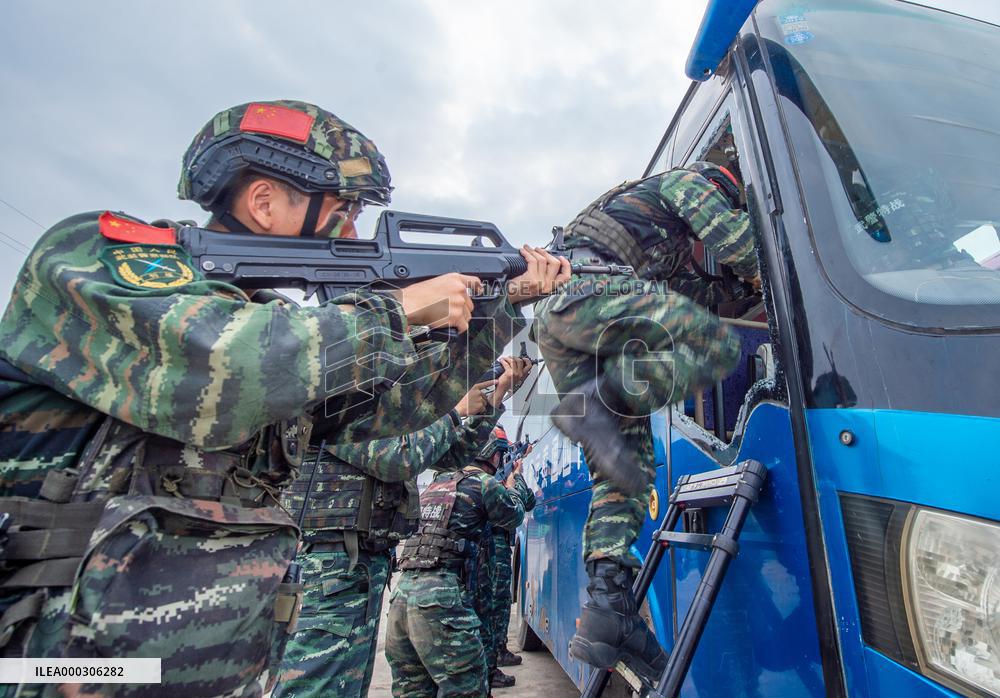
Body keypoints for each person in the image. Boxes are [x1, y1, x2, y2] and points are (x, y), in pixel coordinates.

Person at [0, 99, 558, 697]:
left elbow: (394, 411)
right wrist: (396, 311)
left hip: (203, 659)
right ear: (264, 202)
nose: (351, 233)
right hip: (65, 656)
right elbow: (225, 367)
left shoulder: (276, 324)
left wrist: (499, 307)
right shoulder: (103, 254)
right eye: (342, 211)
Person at [531, 161, 760, 681]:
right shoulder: (689, 182)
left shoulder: (654, 236)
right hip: (588, 296)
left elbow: (693, 299)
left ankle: (609, 608)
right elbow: (745, 247)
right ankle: (601, 396)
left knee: (625, 474)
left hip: (569, 318)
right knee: (715, 343)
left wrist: (742, 296)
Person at [273, 357, 532, 698]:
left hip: (357, 567)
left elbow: (449, 457)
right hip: (333, 567)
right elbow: (401, 458)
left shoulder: (368, 410)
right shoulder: (340, 408)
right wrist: (454, 411)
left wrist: (494, 400)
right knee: (318, 688)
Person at [385, 428, 533, 697]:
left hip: (401, 601)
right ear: (489, 453)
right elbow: (515, 514)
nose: (501, 460)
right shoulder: (484, 484)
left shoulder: (436, 483)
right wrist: (515, 483)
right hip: (441, 601)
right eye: (500, 454)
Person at [489, 444, 536, 681]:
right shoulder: (491, 482)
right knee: (496, 603)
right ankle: (494, 658)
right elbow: (521, 507)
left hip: (493, 548)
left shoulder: (491, 477)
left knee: (497, 602)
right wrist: (516, 479)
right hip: (493, 548)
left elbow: (528, 502)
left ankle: (498, 651)